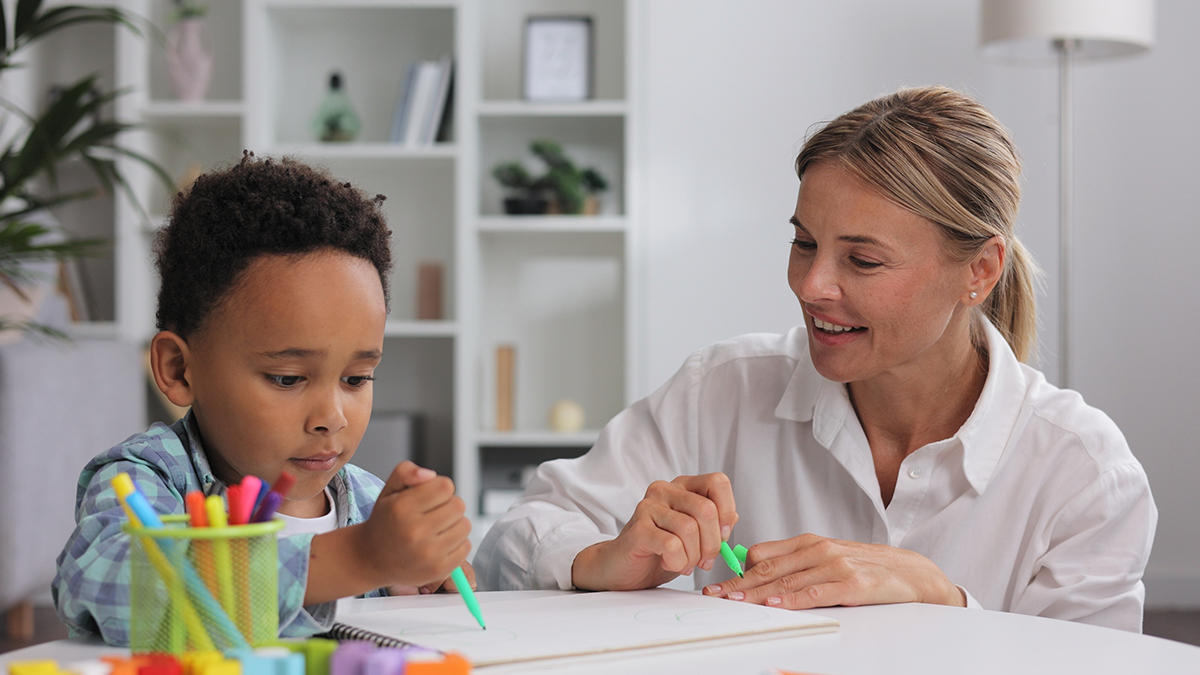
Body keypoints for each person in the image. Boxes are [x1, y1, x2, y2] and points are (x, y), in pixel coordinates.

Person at [474, 86, 1157, 632]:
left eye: (862, 259)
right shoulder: (723, 388)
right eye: (804, 243)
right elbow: (515, 537)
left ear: (979, 270)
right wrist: (605, 558)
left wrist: (943, 600)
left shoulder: (1085, 474)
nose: (810, 285)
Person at [53, 152, 474, 645]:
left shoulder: (366, 501)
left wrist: (427, 577)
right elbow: (102, 580)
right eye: (287, 378)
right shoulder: (149, 479)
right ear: (178, 369)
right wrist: (358, 559)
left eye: (357, 378)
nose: (331, 418)